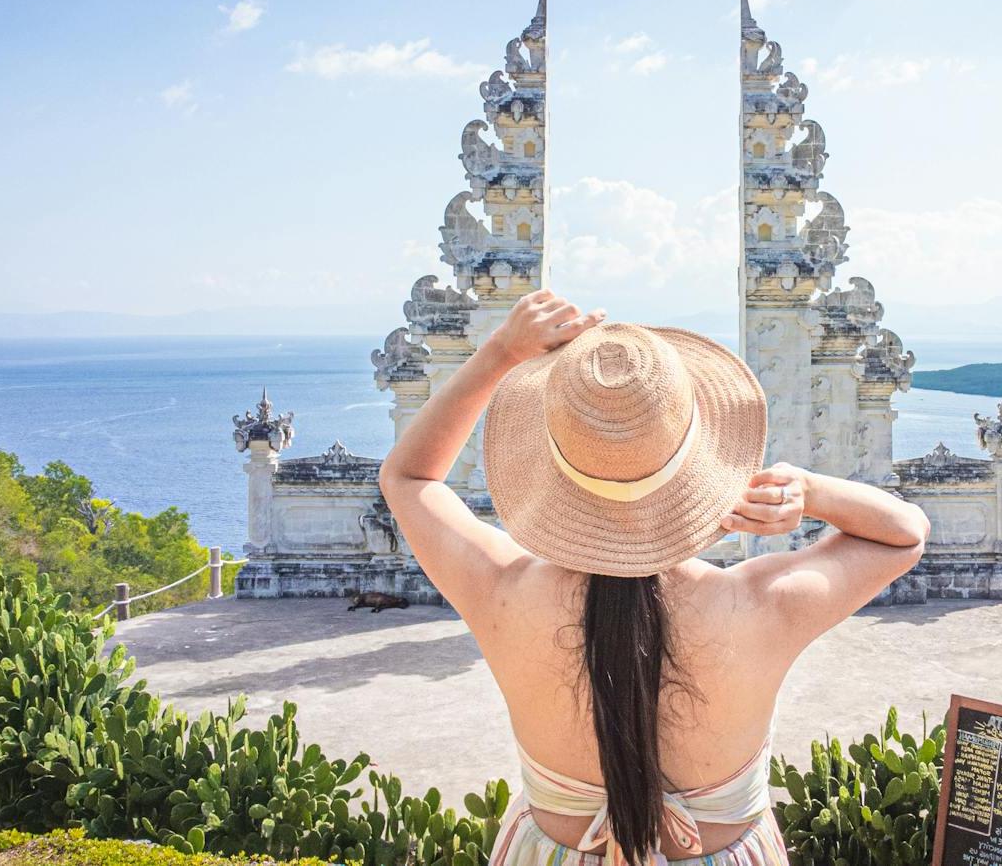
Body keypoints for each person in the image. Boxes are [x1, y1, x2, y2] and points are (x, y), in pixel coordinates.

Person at [379, 289, 931, 866]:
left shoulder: (502, 592)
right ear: (701, 465)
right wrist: (809, 490)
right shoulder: (762, 606)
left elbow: (409, 478)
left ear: (554, 464)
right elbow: (905, 532)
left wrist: (499, 353)